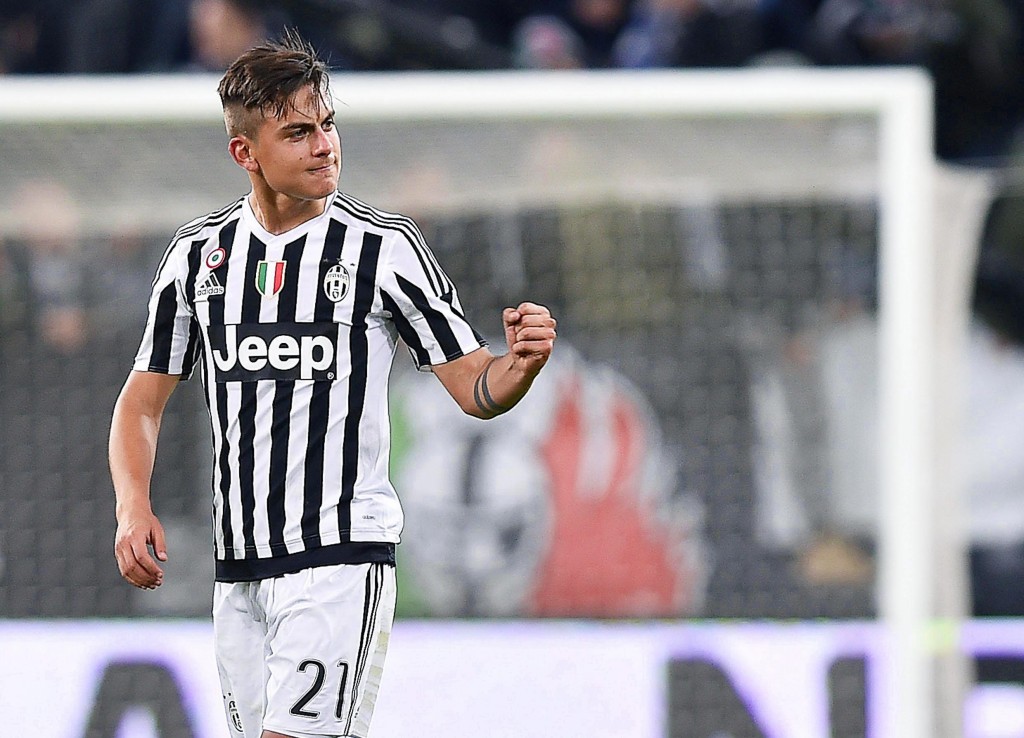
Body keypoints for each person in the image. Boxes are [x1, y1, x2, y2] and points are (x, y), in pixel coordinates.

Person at [107, 30, 556, 738]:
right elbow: (142, 400)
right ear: (245, 153)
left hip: (340, 557)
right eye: (298, 133)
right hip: (239, 569)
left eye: (327, 124)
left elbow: (474, 387)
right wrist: (133, 507)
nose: (325, 146)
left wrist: (520, 364)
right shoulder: (199, 257)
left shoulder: (384, 248)